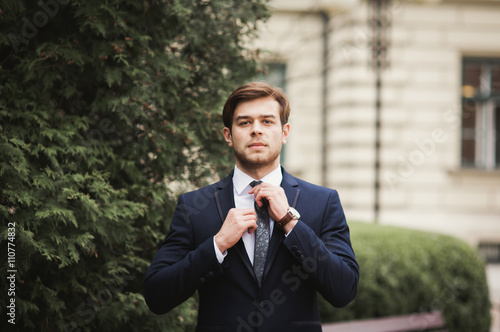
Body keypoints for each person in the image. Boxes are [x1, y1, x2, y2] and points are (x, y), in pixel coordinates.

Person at [144, 82, 359, 332]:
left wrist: (291, 223)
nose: (256, 130)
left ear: (285, 132)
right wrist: (217, 245)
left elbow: (344, 290)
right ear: (228, 135)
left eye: (267, 121)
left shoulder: (322, 202)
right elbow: (157, 295)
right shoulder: (194, 206)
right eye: (244, 122)